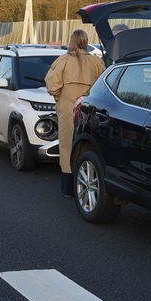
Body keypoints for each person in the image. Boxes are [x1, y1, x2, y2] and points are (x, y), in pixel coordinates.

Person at [45, 29, 106, 197]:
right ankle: (88, 181)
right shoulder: (97, 62)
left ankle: (68, 188)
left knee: (66, 145)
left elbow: (52, 85)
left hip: (67, 107)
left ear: (71, 41)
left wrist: (60, 97)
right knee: (88, 144)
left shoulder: (63, 60)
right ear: (86, 42)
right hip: (90, 108)